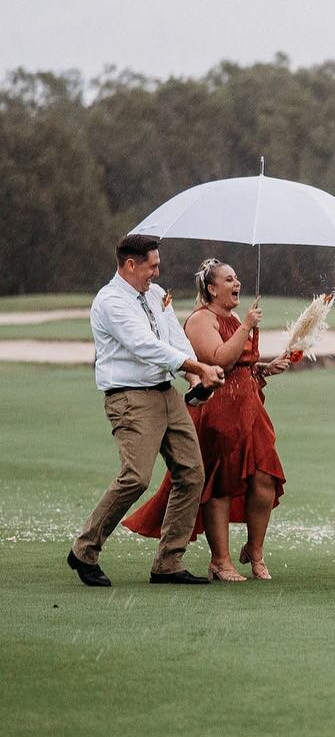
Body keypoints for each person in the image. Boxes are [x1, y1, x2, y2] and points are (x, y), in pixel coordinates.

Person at [67, 234, 225, 587]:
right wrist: (199, 368)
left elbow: (172, 336)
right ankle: (84, 550)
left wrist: (192, 373)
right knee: (136, 476)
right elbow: (144, 345)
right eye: (152, 265)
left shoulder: (155, 295)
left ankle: (168, 563)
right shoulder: (110, 302)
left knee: (191, 473)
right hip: (129, 397)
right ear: (131, 264)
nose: (157, 271)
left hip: (165, 393)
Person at [123, 259, 291, 580]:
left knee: (265, 479)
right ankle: (220, 561)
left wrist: (265, 368)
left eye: (237, 277)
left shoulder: (236, 317)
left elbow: (243, 364)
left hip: (251, 408)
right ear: (212, 288)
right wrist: (247, 327)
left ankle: (254, 552)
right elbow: (218, 360)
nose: (236, 283)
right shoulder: (201, 320)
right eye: (229, 279)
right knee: (221, 484)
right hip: (218, 410)